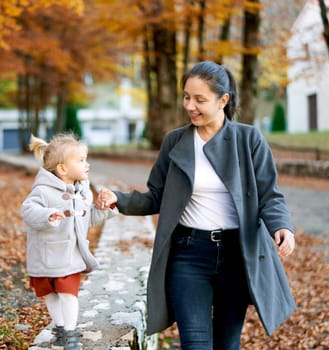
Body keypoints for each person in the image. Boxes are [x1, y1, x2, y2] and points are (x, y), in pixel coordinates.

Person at [97, 60, 296, 349]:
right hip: (188, 255)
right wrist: (120, 199)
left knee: (227, 343)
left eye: (200, 99)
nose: (190, 106)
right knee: (196, 344)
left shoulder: (248, 139)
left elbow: (270, 195)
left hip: (236, 255)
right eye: (187, 97)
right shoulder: (175, 141)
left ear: (223, 100)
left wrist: (282, 227)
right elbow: (156, 196)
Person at [21, 133, 118, 350]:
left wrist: (103, 209)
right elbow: (28, 211)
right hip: (45, 256)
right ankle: (60, 327)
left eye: (86, 159)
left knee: (68, 293)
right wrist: (48, 215)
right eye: (81, 160)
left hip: (69, 255)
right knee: (50, 295)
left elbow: (87, 219)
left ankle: (71, 335)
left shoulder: (83, 193)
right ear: (63, 168)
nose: (87, 164)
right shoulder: (43, 191)